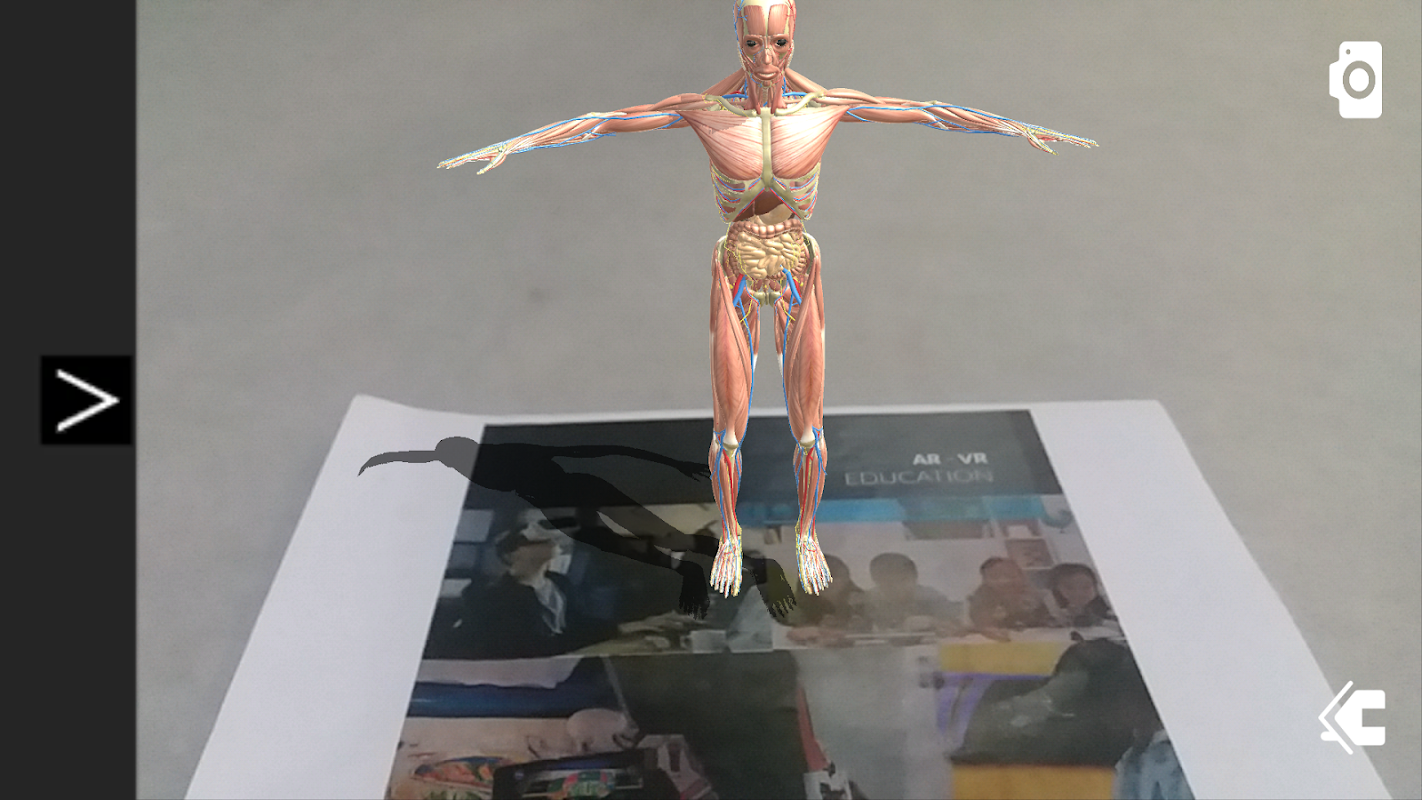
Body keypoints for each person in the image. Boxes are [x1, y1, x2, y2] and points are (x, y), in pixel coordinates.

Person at [439, 0, 1095, 599]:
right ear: (739, 42)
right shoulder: (705, 110)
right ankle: (729, 535)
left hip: (798, 261)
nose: (765, 57)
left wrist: (1016, 128)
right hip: (735, 261)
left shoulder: (827, 106)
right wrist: (513, 145)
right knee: (728, 427)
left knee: (809, 425)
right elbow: (605, 121)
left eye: (777, 43)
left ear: (792, 41)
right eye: (753, 44)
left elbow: (928, 111)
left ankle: (806, 535)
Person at [456, 525, 678, 660]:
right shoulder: (493, 596)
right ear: (512, 554)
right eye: (532, 540)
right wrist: (620, 637)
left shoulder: (559, 583)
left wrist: (637, 625)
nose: (549, 540)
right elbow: (533, 648)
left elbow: (578, 623)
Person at [863, 553, 962, 634]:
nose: (898, 587)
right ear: (876, 581)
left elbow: (960, 624)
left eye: (903, 580)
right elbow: (857, 631)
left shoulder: (930, 597)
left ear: (915, 577)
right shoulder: (866, 603)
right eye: (889, 583)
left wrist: (933, 622)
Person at [783, 554, 870, 645]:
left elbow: (876, 630)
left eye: (834, 576)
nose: (828, 582)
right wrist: (818, 632)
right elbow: (793, 635)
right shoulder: (796, 606)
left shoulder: (865, 601)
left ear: (846, 579)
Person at [966, 556, 1054, 639]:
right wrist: (987, 629)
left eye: (1011, 576)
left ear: (1022, 576)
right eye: (995, 577)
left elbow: (1053, 624)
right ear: (985, 581)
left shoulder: (1043, 598)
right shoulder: (978, 601)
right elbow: (980, 626)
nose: (1004, 581)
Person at [1047, 562, 1118, 629]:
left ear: (1096, 588)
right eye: (1069, 587)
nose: (1078, 592)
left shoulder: (1109, 609)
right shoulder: (1050, 612)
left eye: (1086, 587)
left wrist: (1100, 621)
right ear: (1056, 590)